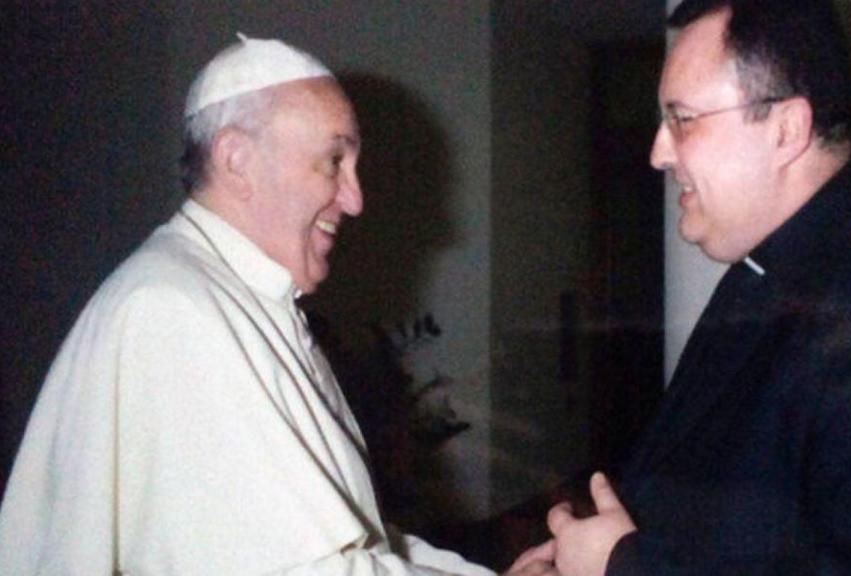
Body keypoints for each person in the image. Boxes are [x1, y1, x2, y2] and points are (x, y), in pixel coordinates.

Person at [511, 1, 851, 574]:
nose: (657, 153)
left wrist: (624, 564)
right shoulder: (773, 270)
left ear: (786, 129)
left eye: (683, 119)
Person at [0, 35, 493, 576]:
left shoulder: (243, 299)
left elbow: (351, 542)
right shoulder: (174, 313)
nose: (355, 199)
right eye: (333, 160)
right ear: (237, 160)